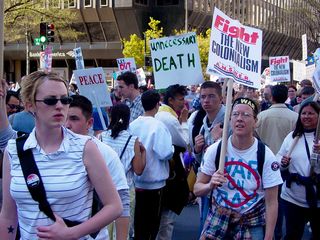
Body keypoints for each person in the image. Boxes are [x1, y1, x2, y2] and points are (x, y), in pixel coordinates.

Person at [0, 71, 122, 239]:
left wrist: (71, 233)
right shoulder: (13, 150)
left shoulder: (86, 147)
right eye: (50, 100)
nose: (59, 106)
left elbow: (114, 206)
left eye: (65, 100)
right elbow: (8, 216)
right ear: (29, 106)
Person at [194, 97, 283, 240]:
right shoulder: (216, 150)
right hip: (218, 221)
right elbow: (197, 189)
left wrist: (268, 237)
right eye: (235, 114)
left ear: (255, 122)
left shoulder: (266, 155)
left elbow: (272, 202)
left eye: (246, 115)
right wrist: (210, 184)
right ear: (230, 120)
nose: (239, 119)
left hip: (251, 224)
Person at [65, 95, 130, 240]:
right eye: (64, 117)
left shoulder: (104, 153)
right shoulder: (49, 151)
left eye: (74, 119)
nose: (67, 124)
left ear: (89, 123)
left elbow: (122, 203)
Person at [256, 84, 298, 240]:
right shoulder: (294, 117)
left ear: (271, 97)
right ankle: (277, 233)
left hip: (264, 164)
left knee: (266, 201)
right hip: (285, 165)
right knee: (279, 201)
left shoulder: (261, 116)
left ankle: (270, 232)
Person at [130, 90, 173, 240]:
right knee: (151, 227)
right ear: (157, 104)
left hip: (136, 182)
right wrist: (172, 149)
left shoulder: (133, 125)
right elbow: (165, 153)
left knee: (138, 225)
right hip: (154, 185)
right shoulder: (158, 126)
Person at [100, 103, 146, 240]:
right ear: (128, 119)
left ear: (111, 116)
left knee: (104, 230)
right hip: (125, 189)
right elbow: (138, 170)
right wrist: (144, 153)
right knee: (122, 234)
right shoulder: (133, 140)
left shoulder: (101, 137)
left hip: (104, 189)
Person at [277, 101, 320, 240]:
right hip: (292, 198)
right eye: (304, 113)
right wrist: (283, 162)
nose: (306, 116)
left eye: (311, 113)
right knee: (292, 235)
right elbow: (279, 157)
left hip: (317, 198)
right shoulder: (292, 136)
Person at [190, 81, 226, 234]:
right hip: (206, 184)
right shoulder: (203, 122)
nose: (206, 101)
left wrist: (217, 141)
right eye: (203, 97)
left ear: (221, 98)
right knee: (206, 226)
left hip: (223, 189)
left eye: (211, 96)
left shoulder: (230, 121)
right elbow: (202, 159)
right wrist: (197, 149)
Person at [155, 84, 189, 240]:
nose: (184, 102)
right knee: (166, 220)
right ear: (171, 100)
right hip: (170, 174)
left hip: (160, 172)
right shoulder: (169, 118)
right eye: (181, 99)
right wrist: (184, 122)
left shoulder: (160, 114)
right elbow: (184, 142)